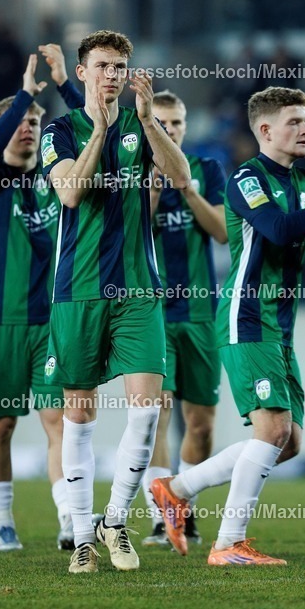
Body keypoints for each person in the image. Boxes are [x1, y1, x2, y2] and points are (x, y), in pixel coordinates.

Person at [152, 86, 305, 565]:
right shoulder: (246, 179)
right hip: (248, 318)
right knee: (272, 429)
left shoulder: (304, 181)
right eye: (295, 121)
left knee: (288, 442)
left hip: (279, 327)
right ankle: (227, 544)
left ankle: (177, 488)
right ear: (265, 130)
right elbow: (279, 230)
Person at [41, 30, 192, 573]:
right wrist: (100, 133)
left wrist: (149, 121)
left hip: (138, 289)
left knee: (148, 411)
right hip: (78, 291)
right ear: (82, 72)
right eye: (103, 65)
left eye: (120, 66)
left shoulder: (140, 123)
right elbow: (70, 192)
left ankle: (115, 521)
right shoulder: (60, 131)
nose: (112, 74)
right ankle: (84, 535)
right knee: (79, 414)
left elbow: (181, 177)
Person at [0, 52, 84, 552]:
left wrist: (62, 85)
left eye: (35, 122)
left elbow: (90, 130)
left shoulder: (59, 178)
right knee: (0, 425)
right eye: (19, 121)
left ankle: (67, 518)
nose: (28, 128)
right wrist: (24, 96)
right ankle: (3, 524)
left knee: (59, 421)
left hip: (50, 322)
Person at [139, 90, 227, 548]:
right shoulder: (132, 172)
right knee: (157, 414)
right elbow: (128, 236)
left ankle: (183, 504)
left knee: (203, 424)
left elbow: (224, 232)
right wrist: (154, 191)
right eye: (161, 123)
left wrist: (187, 188)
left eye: (175, 123)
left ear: (185, 127)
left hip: (201, 315)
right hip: (152, 313)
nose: (169, 130)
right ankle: (161, 518)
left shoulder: (208, 170)